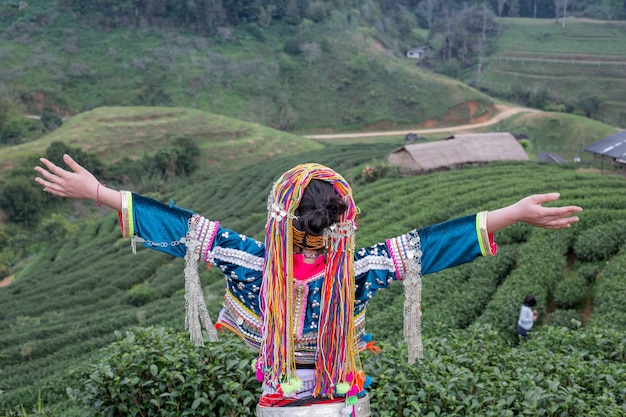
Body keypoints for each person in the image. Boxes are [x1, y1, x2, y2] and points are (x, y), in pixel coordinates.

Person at [34, 154, 582, 417]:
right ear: (342, 222)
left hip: (277, 400)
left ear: (280, 217)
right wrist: (511, 212)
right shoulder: (357, 271)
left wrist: (99, 192)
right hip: (344, 402)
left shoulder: (248, 262)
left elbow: (183, 229)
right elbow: (429, 245)